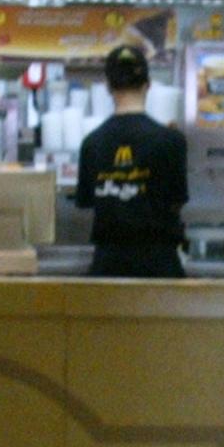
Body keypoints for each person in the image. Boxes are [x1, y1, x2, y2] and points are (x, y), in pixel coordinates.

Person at [74, 45, 188, 278]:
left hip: (108, 268)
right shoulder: (172, 141)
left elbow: (87, 202)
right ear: (148, 85)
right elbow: (178, 200)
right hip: (160, 267)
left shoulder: (91, 143)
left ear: (108, 86)